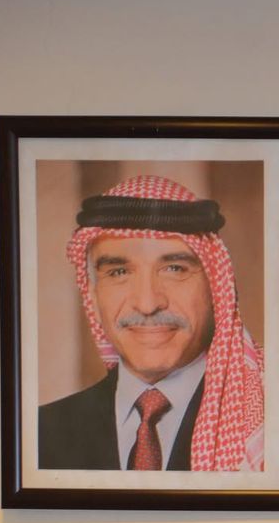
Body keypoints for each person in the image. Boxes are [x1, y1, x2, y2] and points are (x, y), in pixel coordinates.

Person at [39, 174, 265, 472]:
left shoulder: (270, 423)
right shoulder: (40, 433)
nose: (147, 304)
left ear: (216, 288)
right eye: (119, 273)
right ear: (92, 295)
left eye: (174, 268)